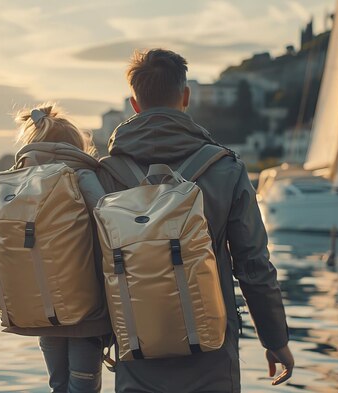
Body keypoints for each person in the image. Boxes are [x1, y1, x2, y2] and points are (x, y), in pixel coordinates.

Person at [97, 49, 294, 392]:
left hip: (135, 346)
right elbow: (253, 264)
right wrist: (275, 339)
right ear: (185, 97)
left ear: (135, 104)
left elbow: (91, 264)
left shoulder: (105, 175)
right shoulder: (225, 168)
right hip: (210, 350)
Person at [14, 103, 111, 393]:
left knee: (58, 385)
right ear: (76, 146)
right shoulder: (80, 175)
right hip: (86, 311)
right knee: (83, 388)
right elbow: (108, 217)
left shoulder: (20, 182)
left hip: (42, 306)